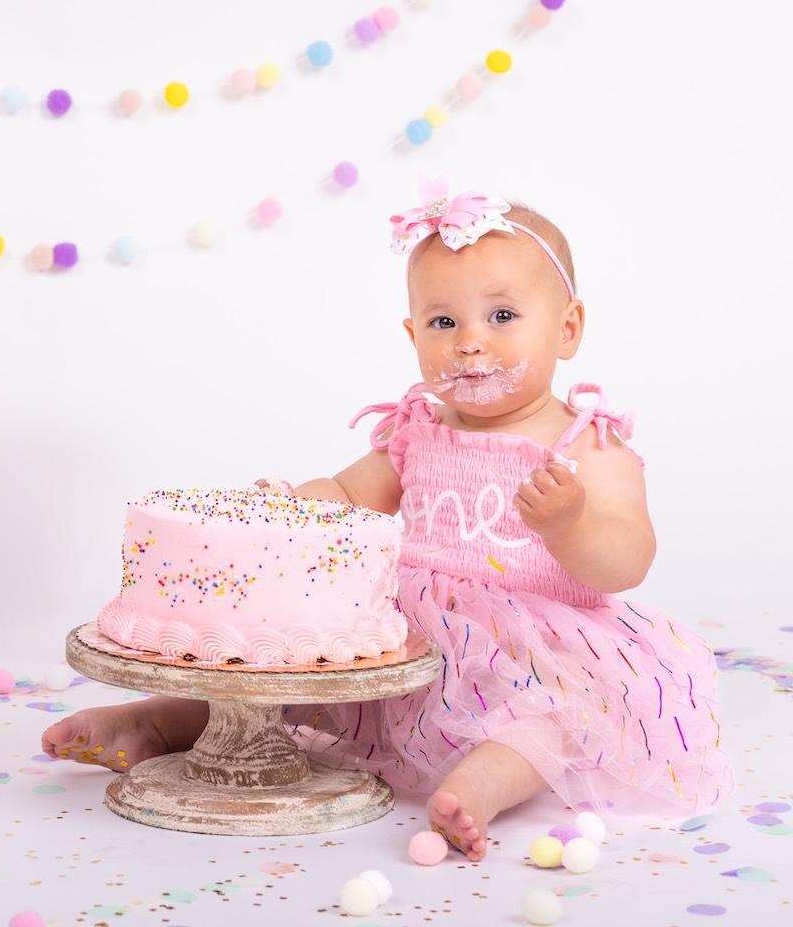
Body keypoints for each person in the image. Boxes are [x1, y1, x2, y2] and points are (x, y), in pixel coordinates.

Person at [43, 177, 731, 860]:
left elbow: (629, 558)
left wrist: (571, 523)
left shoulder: (587, 444)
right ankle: (165, 718)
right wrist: (287, 505)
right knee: (293, 676)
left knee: (550, 723)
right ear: (412, 334)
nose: (469, 343)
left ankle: (482, 787)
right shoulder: (416, 432)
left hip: (533, 644)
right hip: (411, 631)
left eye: (500, 317)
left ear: (568, 327)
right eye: (443, 322)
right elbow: (348, 491)